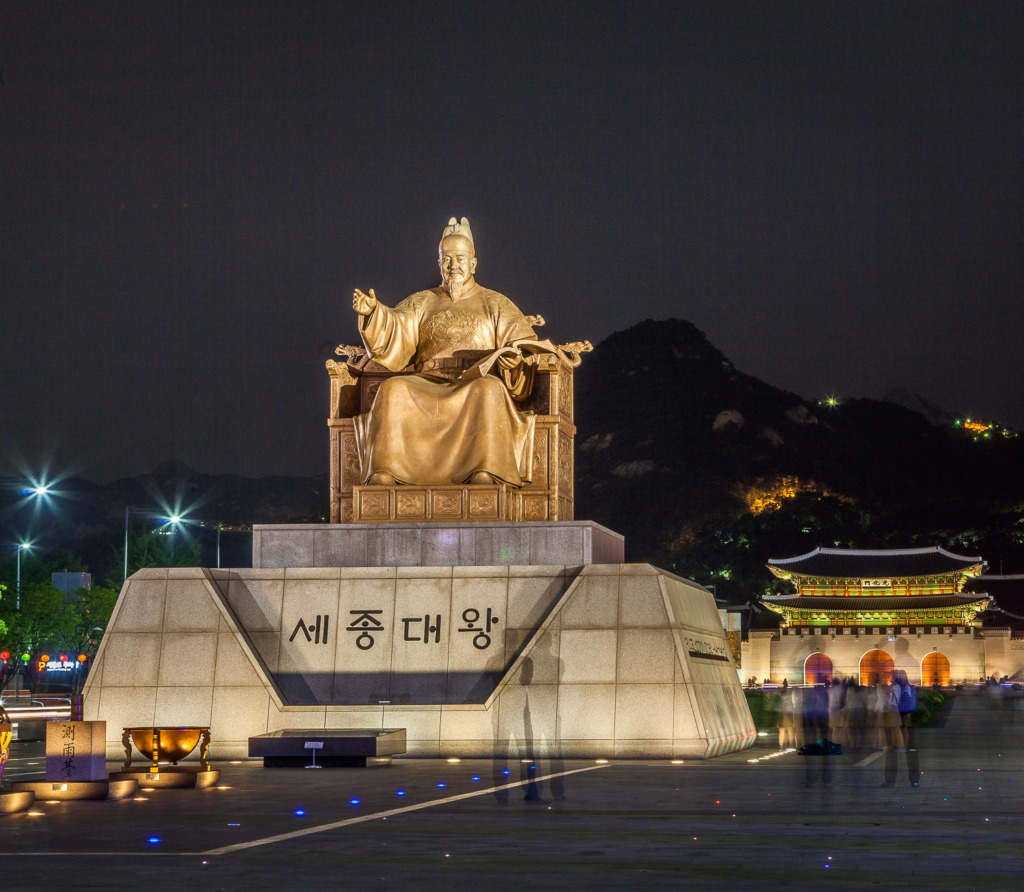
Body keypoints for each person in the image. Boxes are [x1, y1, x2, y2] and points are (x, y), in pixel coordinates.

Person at [351, 217, 550, 487]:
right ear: (439, 263)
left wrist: (513, 360)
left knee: (489, 390)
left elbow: (526, 347)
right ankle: (386, 472)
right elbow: (396, 329)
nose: (453, 265)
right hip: (427, 380)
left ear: (473, 264)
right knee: (393, 389)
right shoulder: (421, 301)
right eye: (446, 259)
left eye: (459, 258)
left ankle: (485, 471)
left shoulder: (496, 303)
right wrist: (373, 313)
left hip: (475, 382)